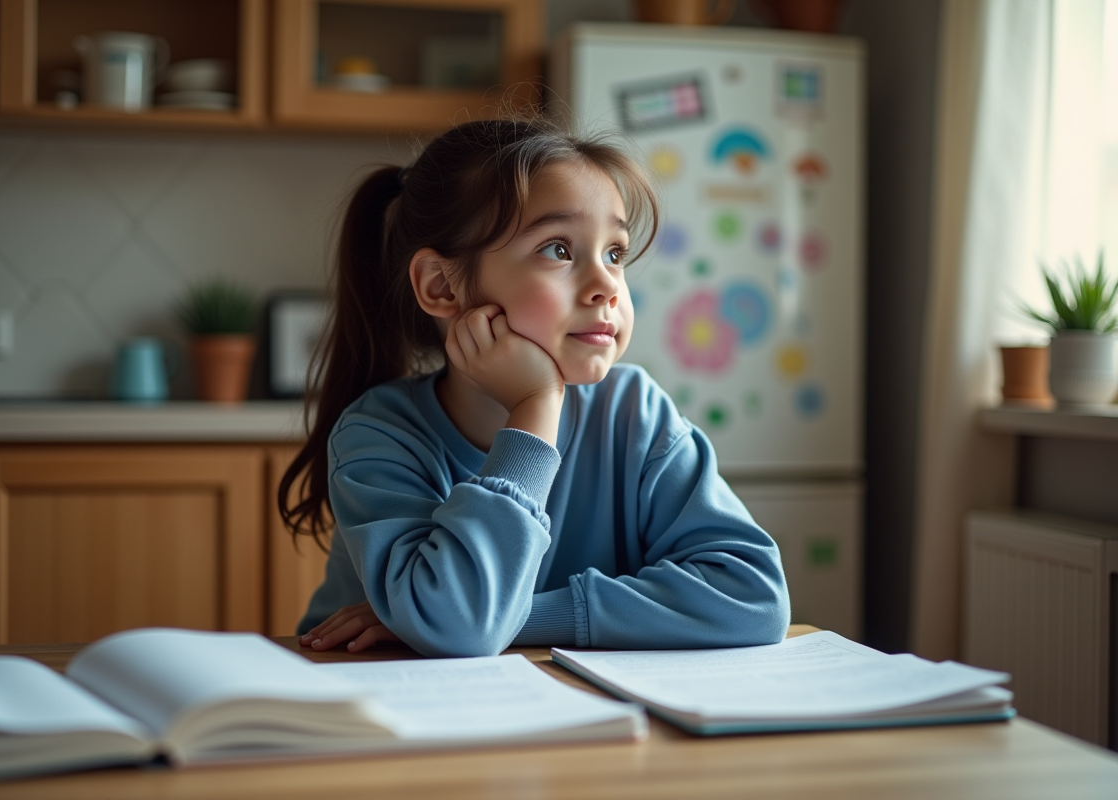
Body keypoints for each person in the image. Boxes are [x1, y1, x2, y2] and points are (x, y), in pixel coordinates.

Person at [279, 115, 789, 658]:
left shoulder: (635, 413)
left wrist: (526, 617)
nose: (606, 286)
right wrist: (536, 406)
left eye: (614, 253)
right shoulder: (379, 435)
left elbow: (755, 597)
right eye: (559, 250)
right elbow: (463, 626)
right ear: (441, 285)